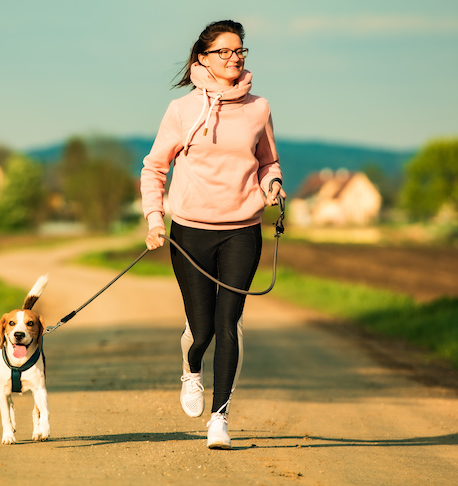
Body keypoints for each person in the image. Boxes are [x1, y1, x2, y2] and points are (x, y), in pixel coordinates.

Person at [140, 19, 286, 449]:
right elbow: (154, 167)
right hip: (190, 232)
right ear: (202, 58)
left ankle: (219, 418)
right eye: (224, 51)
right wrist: (154, 219)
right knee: (201, 329)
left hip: (243, 230)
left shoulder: (259, 107)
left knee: (229, 323)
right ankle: (191, 370)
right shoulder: (182, 111)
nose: (235, 57)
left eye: (240, 50)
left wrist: (272, 184)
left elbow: (268, 162)